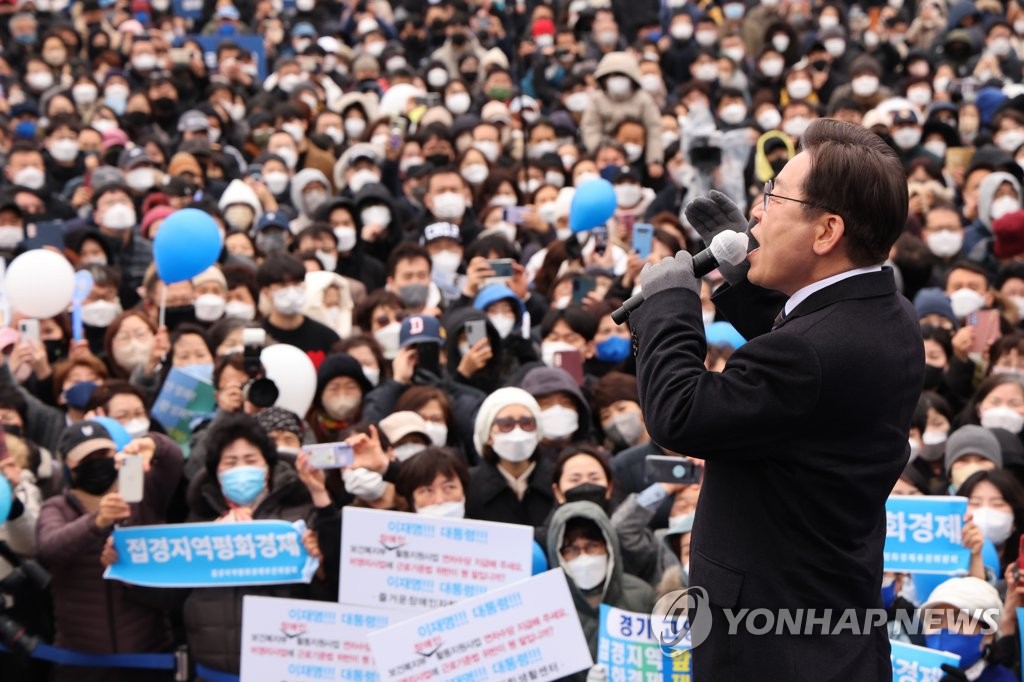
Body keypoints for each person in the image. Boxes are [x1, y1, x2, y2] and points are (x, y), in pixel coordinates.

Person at [630, 119, 923, 679]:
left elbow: (682, 414)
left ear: (826, 231)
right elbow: (805, 352)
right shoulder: (886, 310)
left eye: (773, 197)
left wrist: (668, 307)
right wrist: (748, 278)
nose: (757, 213)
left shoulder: (809, 356)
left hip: (774, 648)